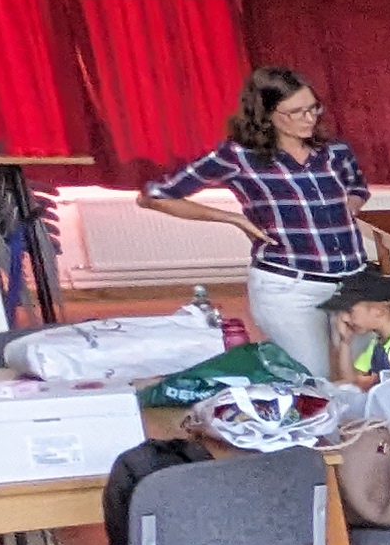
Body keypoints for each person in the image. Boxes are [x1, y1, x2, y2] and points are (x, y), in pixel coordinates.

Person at [143, 65, 373, 378]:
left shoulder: (335, 151)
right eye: (295, 112)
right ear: (266, 115)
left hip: (354, 281)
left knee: (362, 375)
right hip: (290, 286)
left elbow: (357, 187)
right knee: (311, 378)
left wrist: (348, 207)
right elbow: (154, 195)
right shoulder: (238, 155)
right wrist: (231, 218)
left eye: (313, 108)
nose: (309, 118)